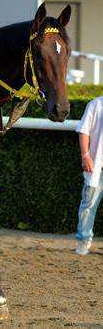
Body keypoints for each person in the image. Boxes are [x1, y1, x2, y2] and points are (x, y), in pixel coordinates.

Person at [75, 95, 103, 255]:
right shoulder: (95, 105)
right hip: (97, 166)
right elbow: (84, 131)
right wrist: (86, 156)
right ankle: (84, 240)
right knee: (88, 204)